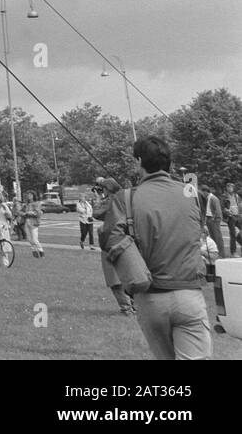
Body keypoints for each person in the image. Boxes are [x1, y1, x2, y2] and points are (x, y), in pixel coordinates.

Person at [102, 135, 211, 360]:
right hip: (189, 292)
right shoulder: (193, 195)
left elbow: (108, 237)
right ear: (169, 163)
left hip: (150, 297)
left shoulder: (125, 198)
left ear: (138, 162)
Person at [94, 178, 136, 316]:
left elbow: (97, 214)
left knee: (114, 279)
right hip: (127, 240)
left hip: (111, 241)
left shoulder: (111, 201)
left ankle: (127, 308)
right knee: (129, 275)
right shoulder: (126, 198)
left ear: (107, 189)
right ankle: (135, 306)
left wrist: (98, 199)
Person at [200, 186, 225, 261]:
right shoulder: (207, 198)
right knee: (213, 237)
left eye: (203, 192)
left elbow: (218, 210)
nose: (202, 194)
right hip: (209, 218)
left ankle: (221, 254)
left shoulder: (213, 198)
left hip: (213, 219)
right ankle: (215, 253)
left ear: (206, 191)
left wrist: (215, 219)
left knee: (218, 237)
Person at [23, 192, 44, 257]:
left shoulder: (36, 203)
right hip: (27, 222)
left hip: (33, 222)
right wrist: (23, 213)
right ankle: (34, 251)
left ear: (33, 196)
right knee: (29, 238)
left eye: (30, 195)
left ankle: (41, 251)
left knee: (35, 239)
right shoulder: (26, 204)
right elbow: (21, 211)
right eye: (28, 195)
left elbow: (38, 213)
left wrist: (30, 213)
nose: (29, 196)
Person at [224, 183, 241, 258]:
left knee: (240, 233)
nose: (231, 188)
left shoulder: (236, 196)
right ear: (227, 188)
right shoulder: (224, 196)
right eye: (229, 187)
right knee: (233, 235)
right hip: (231, 217)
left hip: (238, 216)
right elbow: (223, 207)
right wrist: (228, 212)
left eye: (232, 187)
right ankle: (233, 252)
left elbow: (239, 205)